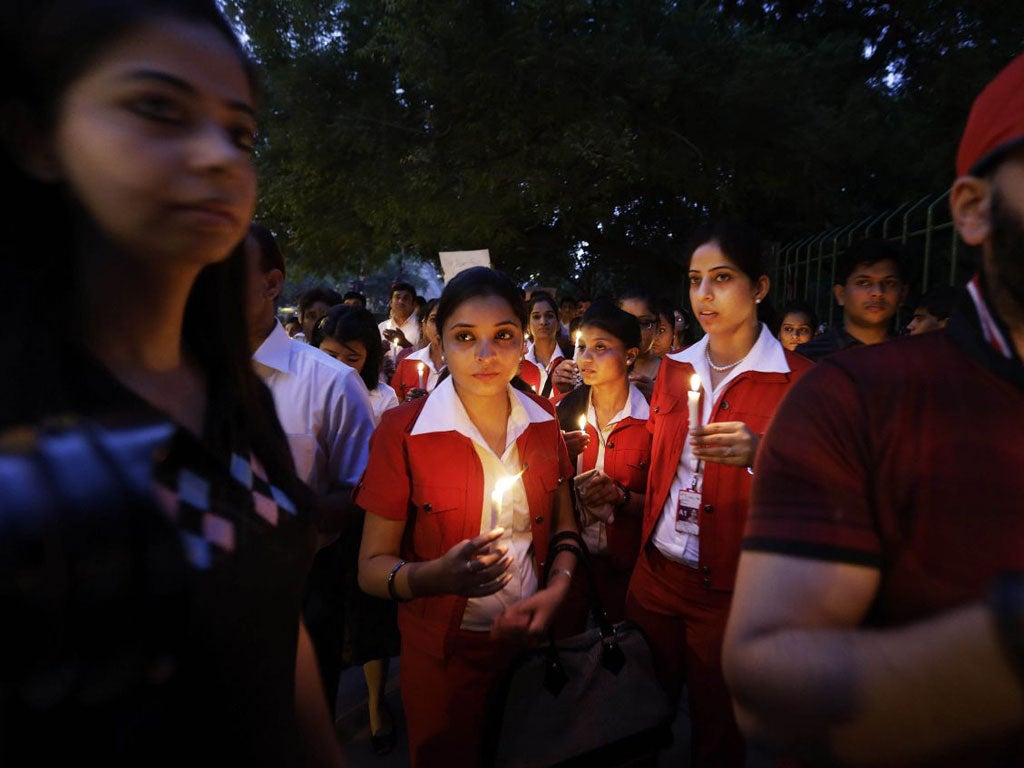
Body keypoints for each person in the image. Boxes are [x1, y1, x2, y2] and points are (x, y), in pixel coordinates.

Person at [0, 1, 342, 765]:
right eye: (158, 109)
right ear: (37, 137)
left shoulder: (228, 394)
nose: (218, 155)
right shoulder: (24, 433)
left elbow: (276, 631)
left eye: (240, 132)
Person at [722, 52, 1024, 767]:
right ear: (974, 209)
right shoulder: (850, 397)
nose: (877, 298)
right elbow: (769, 690)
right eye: (863, 285)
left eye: (888, 287)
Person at [354, 266, 579, 767]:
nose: (485, 355)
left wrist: (558, 588)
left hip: (533, 647)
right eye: (464, 337)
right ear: (439, 337)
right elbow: (371, 567)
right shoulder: (403, 433)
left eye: (502, 335)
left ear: (524, 339)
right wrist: (438, 576)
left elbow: (565, 527)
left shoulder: (543, 422)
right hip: (444, 657)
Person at [624, 222, 813, 767]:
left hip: (733, 592)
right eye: (694, 280)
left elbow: (824, 495)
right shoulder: (674, 371)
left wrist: (762, 456)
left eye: (722, 279)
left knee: (719, 734)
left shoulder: (800, 382)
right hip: (656, 575)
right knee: (637, 716)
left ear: (759, 288)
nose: (704, 295)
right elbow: (659, 470)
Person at [309, 303, 402, 755]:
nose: (337, 367)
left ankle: (373, 702)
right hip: (319, 523)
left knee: (368, 618)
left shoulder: (383, 399)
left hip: (366, 519)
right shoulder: (305, 391)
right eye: (328, 354)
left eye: (351, 358)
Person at [554, 299, 650, 633]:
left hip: (627, 566)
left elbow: (662, 502)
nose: (585, 358)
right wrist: (556, 459)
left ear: (630, 355)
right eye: (581, 347)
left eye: (600, 347)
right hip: (572, 561)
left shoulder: (652, 420)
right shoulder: (564, 412)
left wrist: (619, 497)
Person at [796, 238, 908, 361]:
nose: (878, 292)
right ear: (840, 294)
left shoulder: (912, 357)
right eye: (864, 283)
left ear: (903, 294)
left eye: (889, 283)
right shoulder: (808, 359)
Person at [315, 303, 400, 424]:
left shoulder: (385, 397)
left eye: (352, 359)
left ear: (368, 358)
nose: (340, 367)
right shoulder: (303, 388)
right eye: (331, 357)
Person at [391, 298, 444, 401]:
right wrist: (409, 403)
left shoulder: (464, 365)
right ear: (424, 325)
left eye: (446, 320)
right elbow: (395, 405)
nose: (439, 326)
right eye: (433, 320)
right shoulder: (408, 362)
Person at [523, 292, 570, 402]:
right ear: (528, 326)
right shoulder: (519, 364)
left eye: (549, 316)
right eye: (536, 317)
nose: (543, 322)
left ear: (558, 323)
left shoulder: (571, 359)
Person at [617, 288, 662, 400]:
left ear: (657, 328)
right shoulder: (604, 368)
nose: (634, 330)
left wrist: (659, 397)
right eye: (626, 322)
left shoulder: (671, 373)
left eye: (644, 323)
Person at [378, 281, 420, 369]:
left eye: (406, 298)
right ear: (390, 303)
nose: (401, 301)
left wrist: (405, 344)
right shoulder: (382, 327)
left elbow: (423, 357)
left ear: (414, 304)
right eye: (397, 297)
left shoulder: (421, 328)